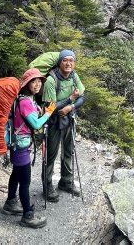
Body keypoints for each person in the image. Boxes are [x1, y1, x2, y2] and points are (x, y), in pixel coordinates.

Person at [2, 68, 56, 228]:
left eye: (40, 81)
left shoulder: (24, 99)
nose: (38, 83)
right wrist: (49, 113)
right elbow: (36, 124)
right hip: (21, 146)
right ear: (27, 84)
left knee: (16, 174)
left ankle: (10, 203)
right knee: (25, 182)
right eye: (34, 81)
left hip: (17, 144)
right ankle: (28, 215)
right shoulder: (26, 102)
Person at [42, 49, 85, 202]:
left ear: (74, 63)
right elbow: (51, 107)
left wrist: (70, 107)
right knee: (51, 154)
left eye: (71, 61)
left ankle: (66, 181)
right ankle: (47, 186)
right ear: (59, 62)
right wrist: (69, 100)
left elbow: (81, 97)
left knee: (68, 151)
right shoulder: (51, 80)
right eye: (65, 60)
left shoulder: (74, 76)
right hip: (53, 121)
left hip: (69, 118)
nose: (68, 63)